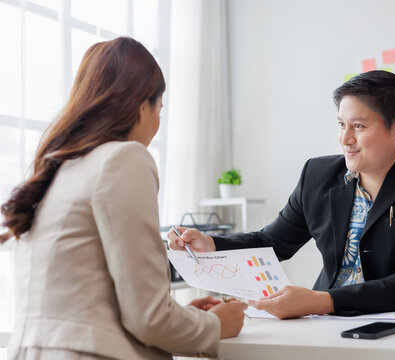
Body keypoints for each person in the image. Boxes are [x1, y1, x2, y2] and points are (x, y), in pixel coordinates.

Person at [0, 37, 246, 359]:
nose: (158, 122)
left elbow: (91, 300)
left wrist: (187, 315)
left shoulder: (55, 168)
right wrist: (214, 325)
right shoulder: (124, 159)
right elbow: (149, 319)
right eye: (161, 108)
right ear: (143, 106)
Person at [169, 70, 395, 319]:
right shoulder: (317, 175)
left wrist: (321, 301)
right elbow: (272, 242)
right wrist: (211, 244)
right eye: (341, 124)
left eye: (358, 126)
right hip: (326, 323)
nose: (345, 139)